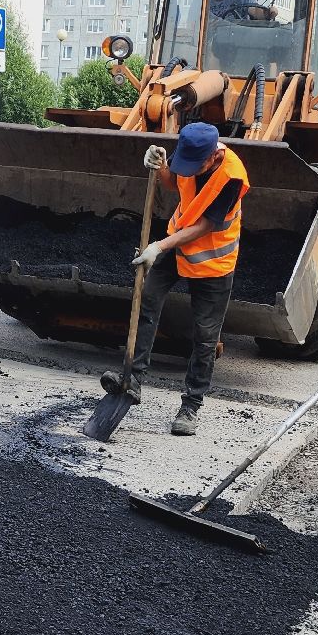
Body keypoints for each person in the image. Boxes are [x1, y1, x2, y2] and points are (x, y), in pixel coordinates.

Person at [101, 121, 249, 436]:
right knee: (147, 295)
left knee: (205, 337)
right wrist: (161, 165)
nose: (191, 170)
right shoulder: (191, 157)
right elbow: (174, 183)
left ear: (211, 158)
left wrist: (159, 246)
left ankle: (191, 405)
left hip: (213, 261)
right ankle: (134, 378)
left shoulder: (232, 176)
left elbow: (206, 226)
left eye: (196, 166)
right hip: (177, 243)